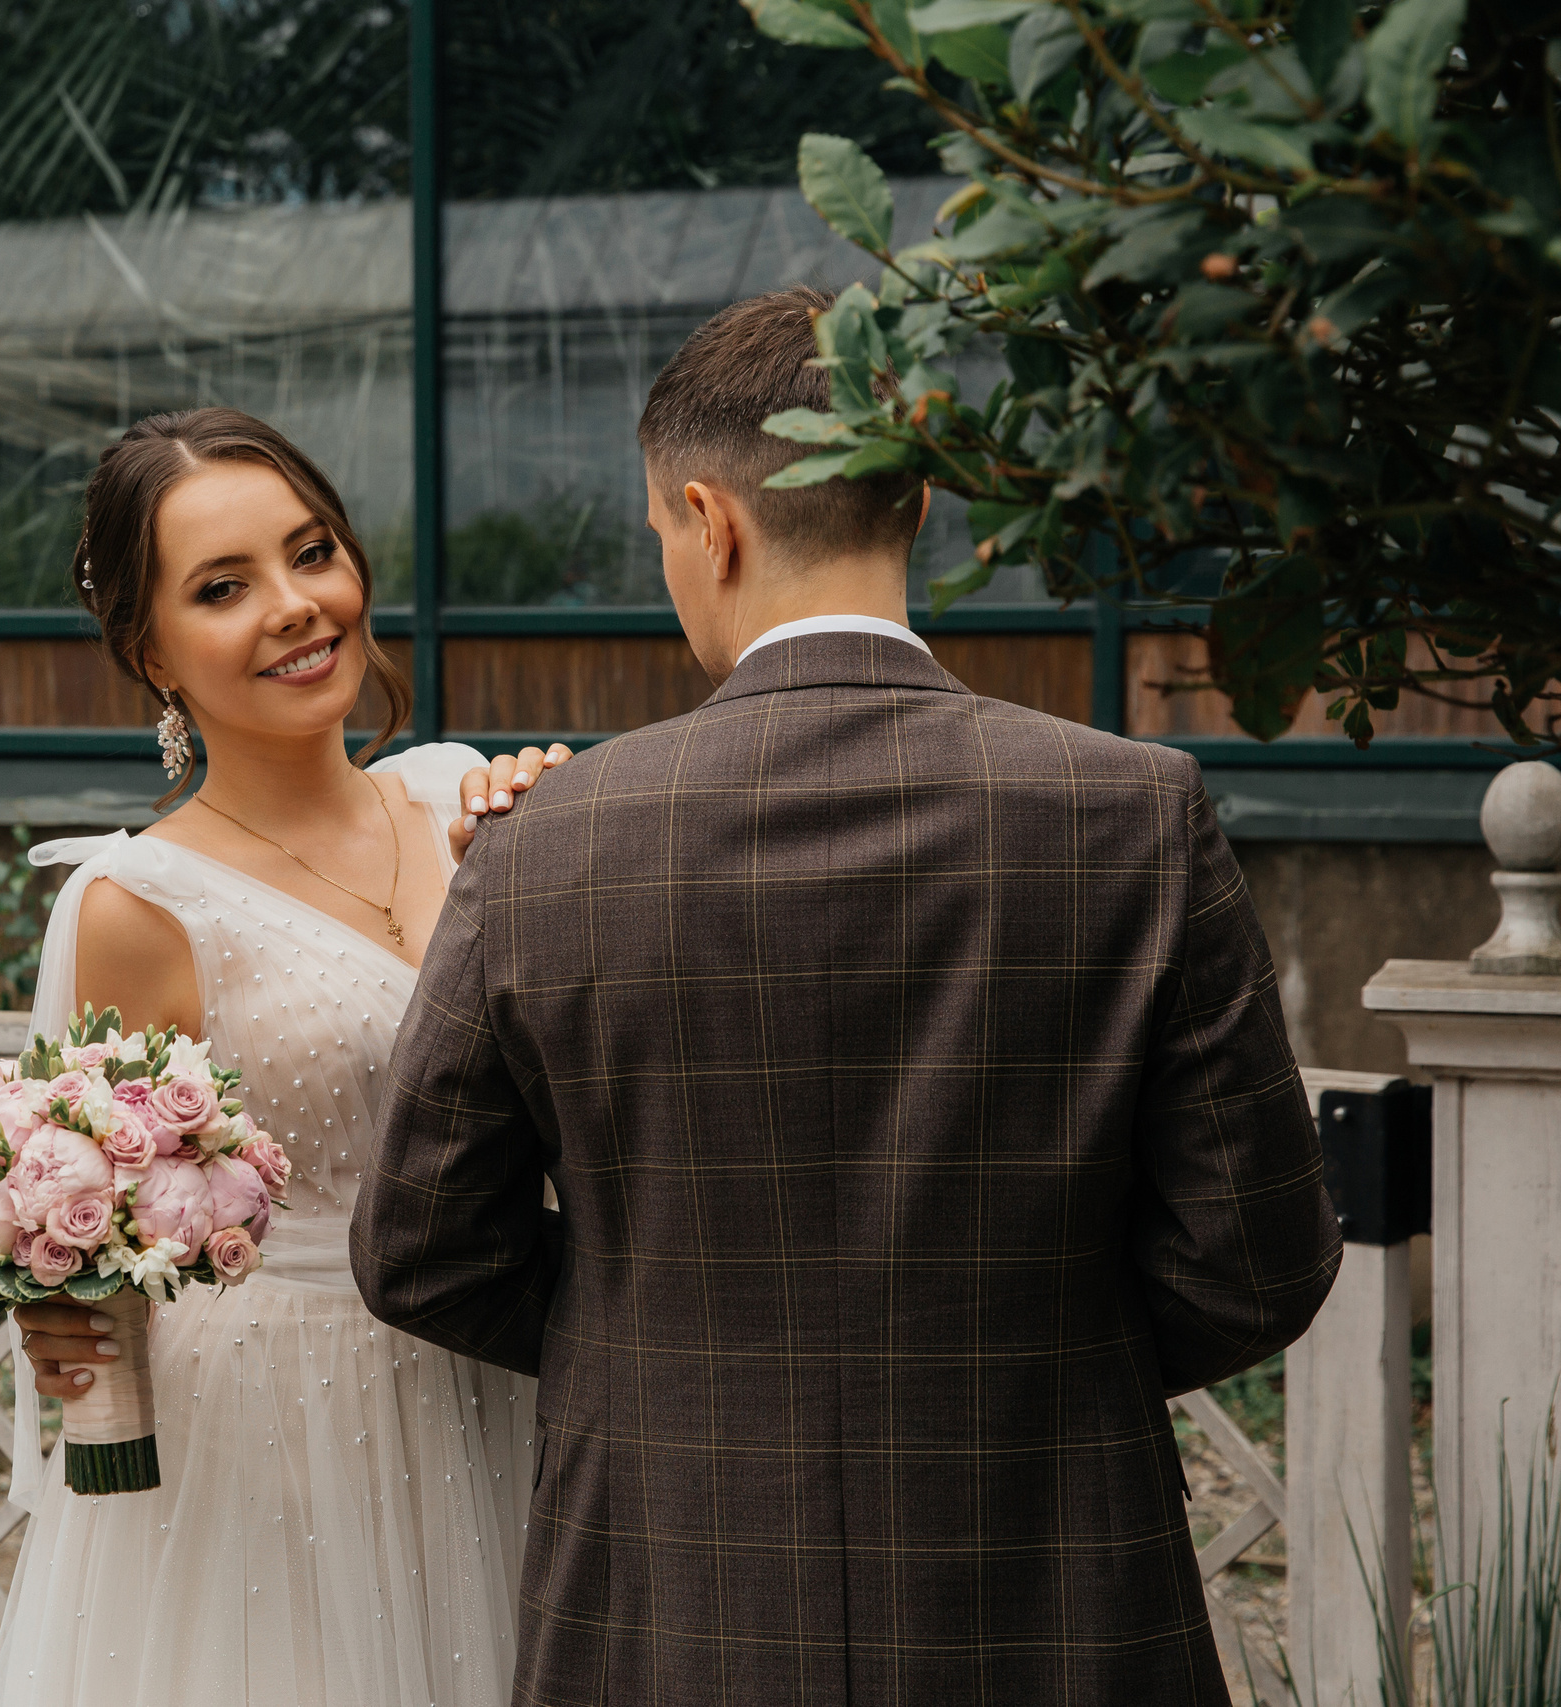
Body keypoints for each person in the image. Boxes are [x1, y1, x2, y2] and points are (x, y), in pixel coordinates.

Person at [351, 285, 1342, 1707]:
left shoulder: (545, 847)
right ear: (921, 502)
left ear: (710, 520)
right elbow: (1258, 1260)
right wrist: (1030, 1360)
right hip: (1054, 1590)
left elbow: (422, 1252)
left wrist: (658, 1351)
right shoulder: (1134, 812)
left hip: (668, 1603)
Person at [0, 406, 570, 1706]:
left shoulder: (464, 797)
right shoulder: (139, 904)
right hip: (278, 1431)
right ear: (151, 652)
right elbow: (85, 1228)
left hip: (496, 1369)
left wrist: (558, 858)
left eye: (312, 554)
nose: (297, 607)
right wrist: (58, 1310)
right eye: (223, 587)